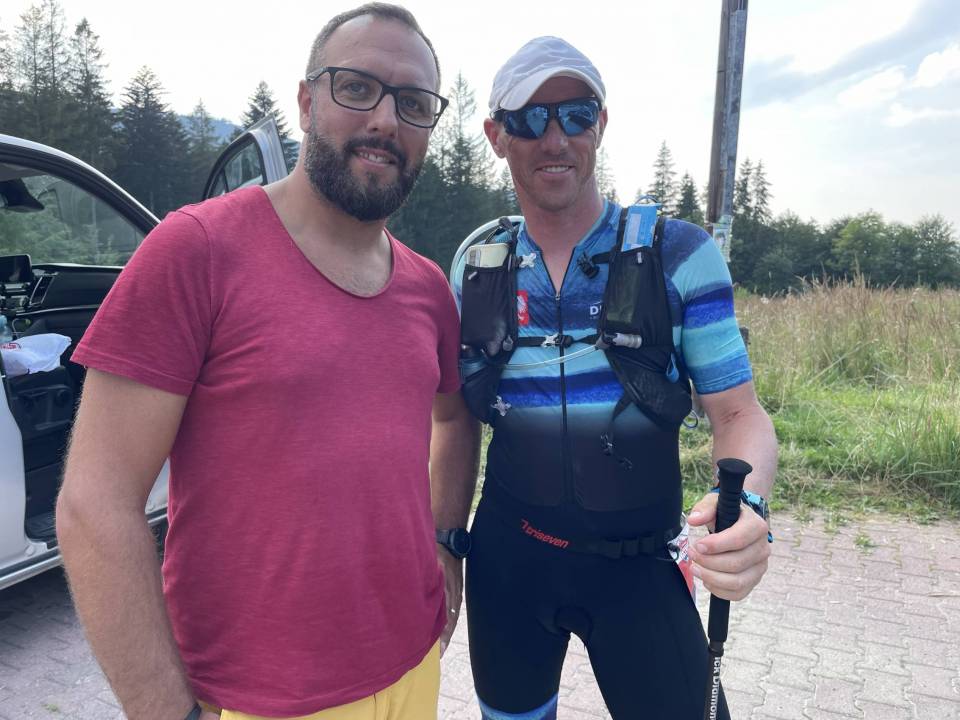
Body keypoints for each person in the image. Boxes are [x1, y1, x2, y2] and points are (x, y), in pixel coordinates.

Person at [55, 4, 478, 720]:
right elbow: (94, 505)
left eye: (413, 103)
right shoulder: (196, 251)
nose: (385, 120)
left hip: (413, 668)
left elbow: (452, 418)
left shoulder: (429, 289)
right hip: (258, 697)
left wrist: (446, 543)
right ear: (306, 102)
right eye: (357, 87)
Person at [448, 36, 778, 719]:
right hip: (509, 564)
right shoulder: (478, 264)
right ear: (496, 135)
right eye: (528, 119)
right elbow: (451, 419)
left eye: (575, 114)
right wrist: (444, 543)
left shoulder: (679, 255)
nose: (555, 138)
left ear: (600, 124)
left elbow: (738, 414)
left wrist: (750, 506)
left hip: (641, 570)